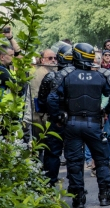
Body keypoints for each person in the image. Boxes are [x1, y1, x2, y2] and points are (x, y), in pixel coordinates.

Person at [47, 42, 110, 207]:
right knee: (101, 160)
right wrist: (106, 110)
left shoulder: (65, 75)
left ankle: (78, 198)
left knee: (74, 161)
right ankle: (105, 196)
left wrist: (58, 117)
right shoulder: (102, 75)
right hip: (94, 123)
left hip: (72, 123)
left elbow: (51, 99)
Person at [36, 44, 73, 186]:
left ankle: (49, 185)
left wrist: (55, 115)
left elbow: (42, 100)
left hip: (56, 120)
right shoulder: (76, 76)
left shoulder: (51, 76)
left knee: (52, 153)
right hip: (72, 120)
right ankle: (75, 187)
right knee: (73, 155)